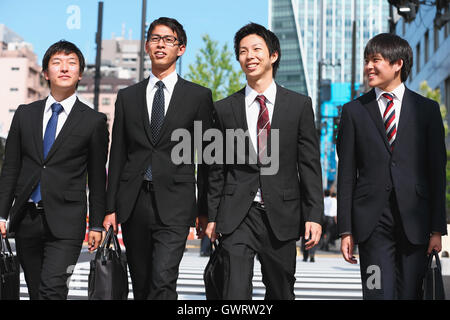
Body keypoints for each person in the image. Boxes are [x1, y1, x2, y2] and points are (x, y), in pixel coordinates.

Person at [206, 23, 323, 300]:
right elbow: (216, 169)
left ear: (273, 55)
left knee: (281, 292)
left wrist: (314, 216)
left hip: (281, 215)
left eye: (257, 49)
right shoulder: (224, 109)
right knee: (234, 293)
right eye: (243, 51)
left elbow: (309, 165)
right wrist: (211, 216)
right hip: (237, 215)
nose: (250, 56)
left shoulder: (299, 105)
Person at [103, 17, 214, 300]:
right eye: (155, 38)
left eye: (169, 39)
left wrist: (205, 209)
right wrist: (110, 207)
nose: (161, 44)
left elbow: (208, 158)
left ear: (181, 49)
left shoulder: (198, 96)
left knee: (163, 281)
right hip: (133, 202)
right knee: (140, 285)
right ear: (146, 46)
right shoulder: (127, 97)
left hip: (176, 203)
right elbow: (117, 155)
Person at [337, 33, 447, 299]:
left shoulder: (427, 110)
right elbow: (346, 175)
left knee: (410, 294)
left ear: (398, 64)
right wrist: (345, 230)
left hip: (416, 223)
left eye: (375, 60)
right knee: (376, 293)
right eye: (366, 61)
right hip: (372, 225)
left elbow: (436, 173)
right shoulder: (354, 111)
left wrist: (437, 229)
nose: (368, 67)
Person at [0, 40, 108, 299]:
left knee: (53, 289)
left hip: (67, 222)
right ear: (46, 73)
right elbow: (11, 168)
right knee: (37, 292)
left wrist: (96, 224)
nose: (64, 68)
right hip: (27, 219)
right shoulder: (25, 114)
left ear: (80, 73)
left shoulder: (94, 121)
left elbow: (96, 176)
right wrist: (2, 215)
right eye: (57, 63)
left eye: (72, 63)